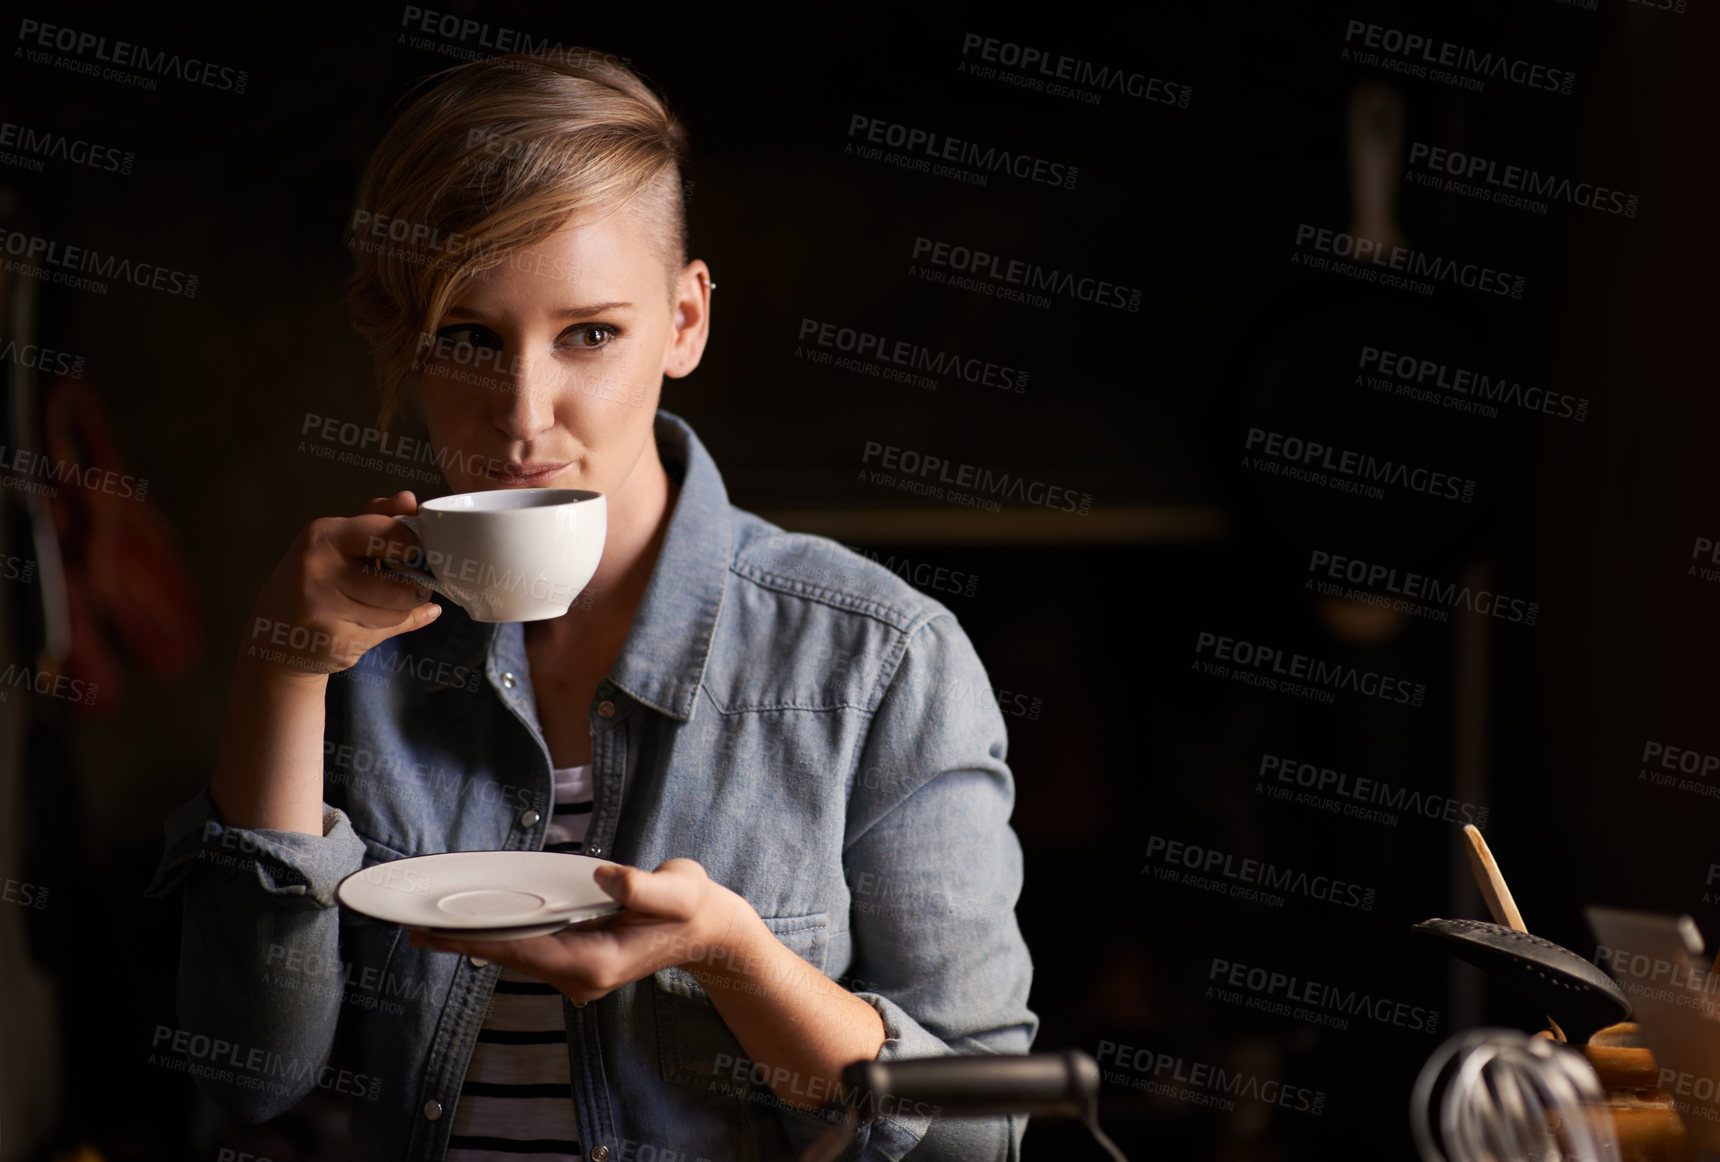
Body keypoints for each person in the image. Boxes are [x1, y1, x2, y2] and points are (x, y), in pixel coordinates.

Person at [145, 49, 1035, 1162]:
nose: (524, 416)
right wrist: (281, 673)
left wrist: (730, 956)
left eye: (590, 333)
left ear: (684, 322)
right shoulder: (346, 640)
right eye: (469, 336)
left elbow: (978, 1130)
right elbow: (247, 1078)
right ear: (406, 343)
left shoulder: (880, 661)